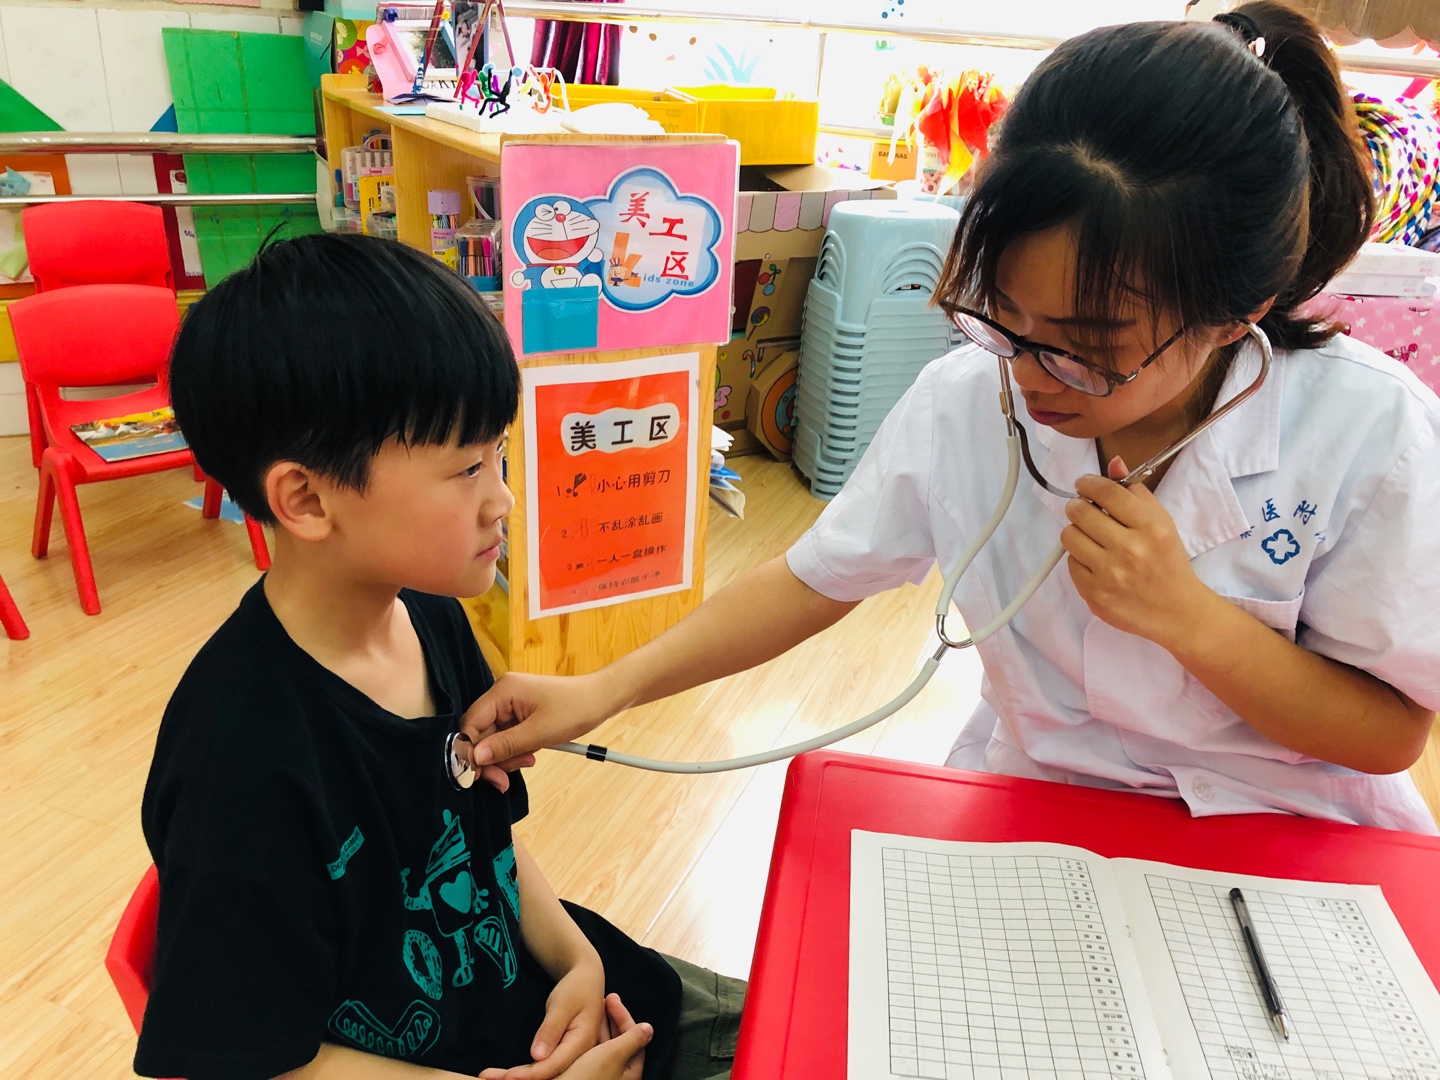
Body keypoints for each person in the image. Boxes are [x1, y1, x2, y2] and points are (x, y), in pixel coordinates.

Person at [462, 2, 1440, 834]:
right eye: (1001, 311)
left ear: (1235, 316)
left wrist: (1191, 621)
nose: (1028, 373)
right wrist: (604, 688)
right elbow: (812, 580)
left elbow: (1390, 732)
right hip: (1042, 804)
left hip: (1290, 827)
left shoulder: (1366, 432)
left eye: (1085, 345)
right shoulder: (967, 398)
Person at [136, 233, 744, 1080]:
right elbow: (251, 1061)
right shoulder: (239, 761)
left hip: (571, 996)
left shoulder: (432, 620)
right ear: (306, 499)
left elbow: (486, 848)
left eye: (498, 453)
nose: (503, 499)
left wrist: (579, 960)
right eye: (467, 469)